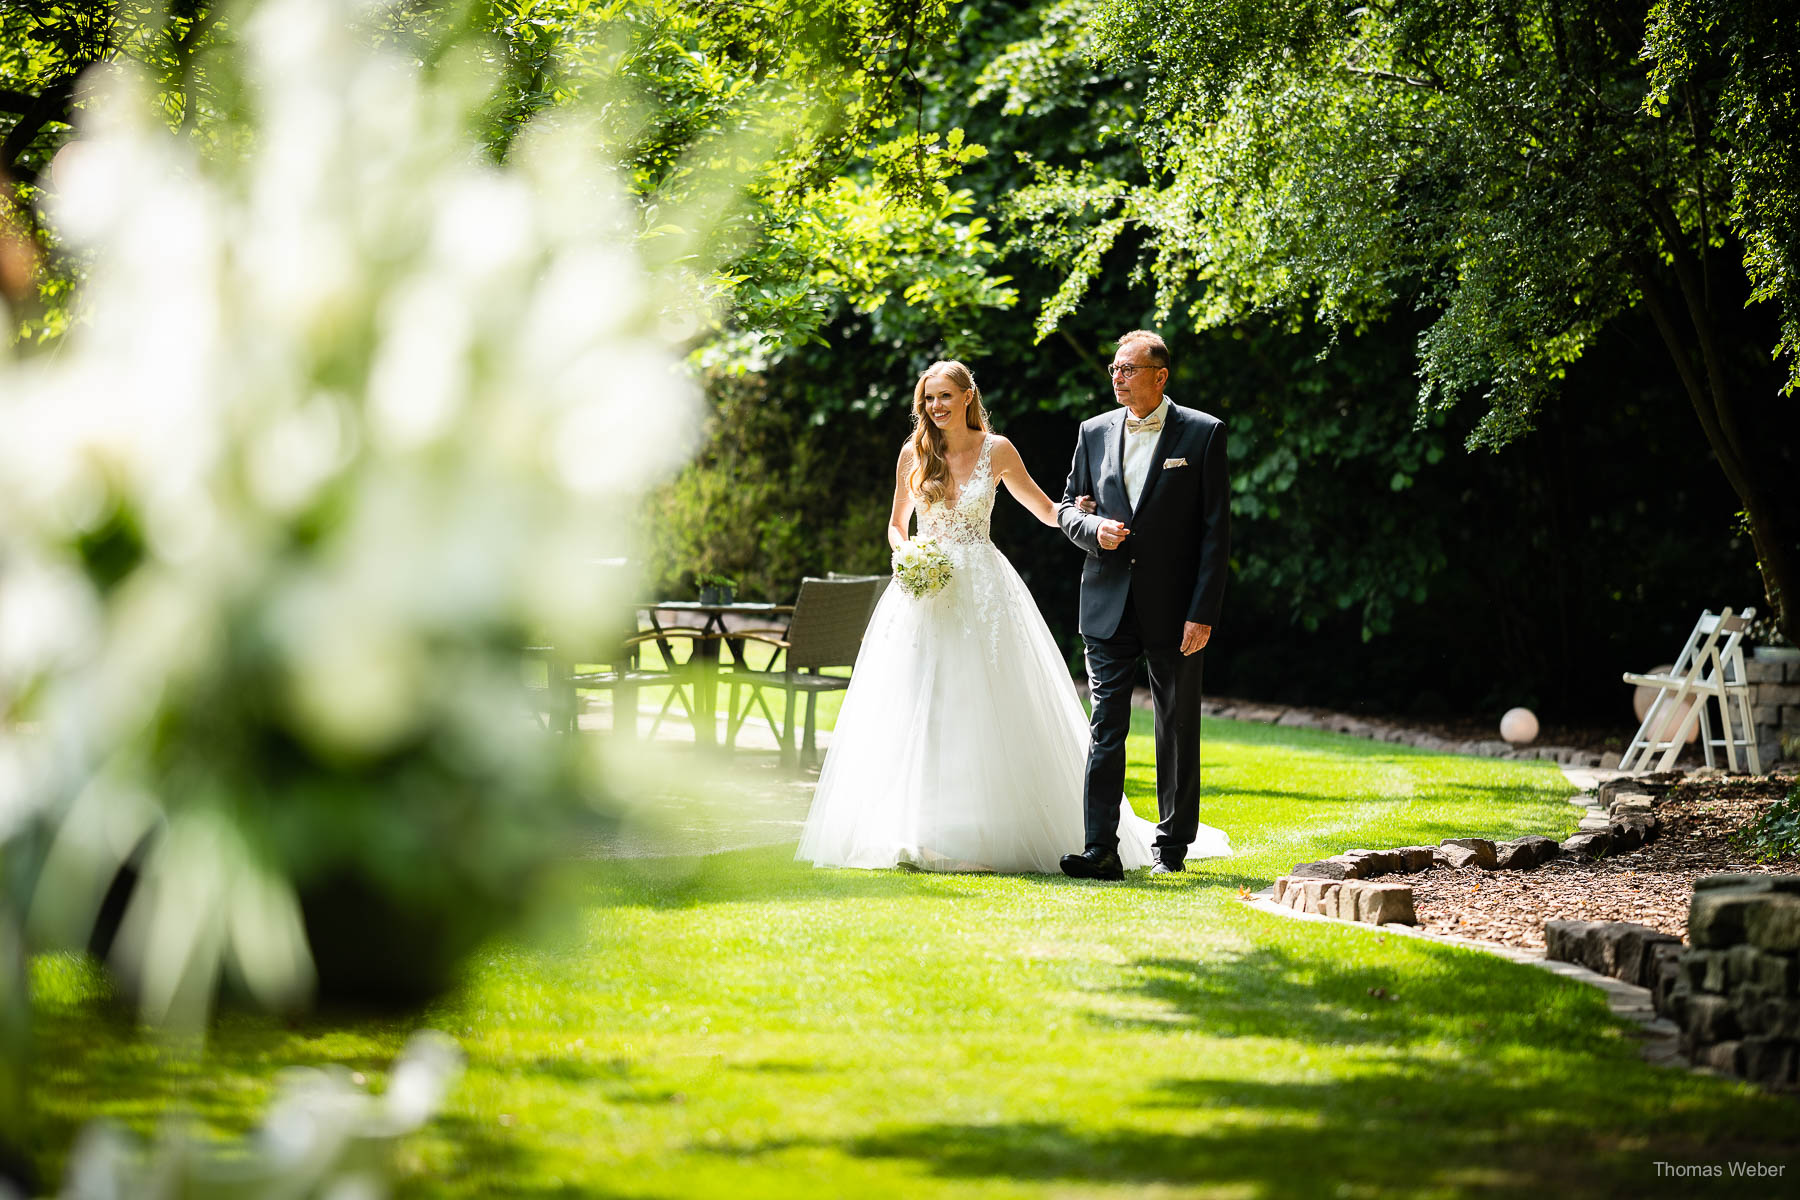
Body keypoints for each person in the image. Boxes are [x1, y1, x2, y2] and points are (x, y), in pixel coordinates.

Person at [795, 359, 1230, 873]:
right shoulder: (913, 453)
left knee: (978, 702)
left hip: (982, 589)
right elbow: (896, 524)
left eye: (944, 397)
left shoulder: (996, 450)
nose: (936, 407)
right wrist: (907, 555)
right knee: (919, 704)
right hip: (922, 591)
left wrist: (1082, 518)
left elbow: (1047, 509)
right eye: (928, 399)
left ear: (967, 397)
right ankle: (915, 829)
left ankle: (986, 832)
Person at [1055, 330, 1230, 881]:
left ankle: (1172, 845)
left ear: (1161, 376)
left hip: (1176, 610)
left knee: (1176, 725)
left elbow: (1215, 533)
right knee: (1106, 722)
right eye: (1114, 368)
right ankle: (1098, 847)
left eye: (1129, 369)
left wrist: (1202, 612)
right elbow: (1068, 508)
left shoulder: (1203, 434)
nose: (1117, 377)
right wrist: (1092, 527)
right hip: (1107, 601)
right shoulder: (1092, 431)